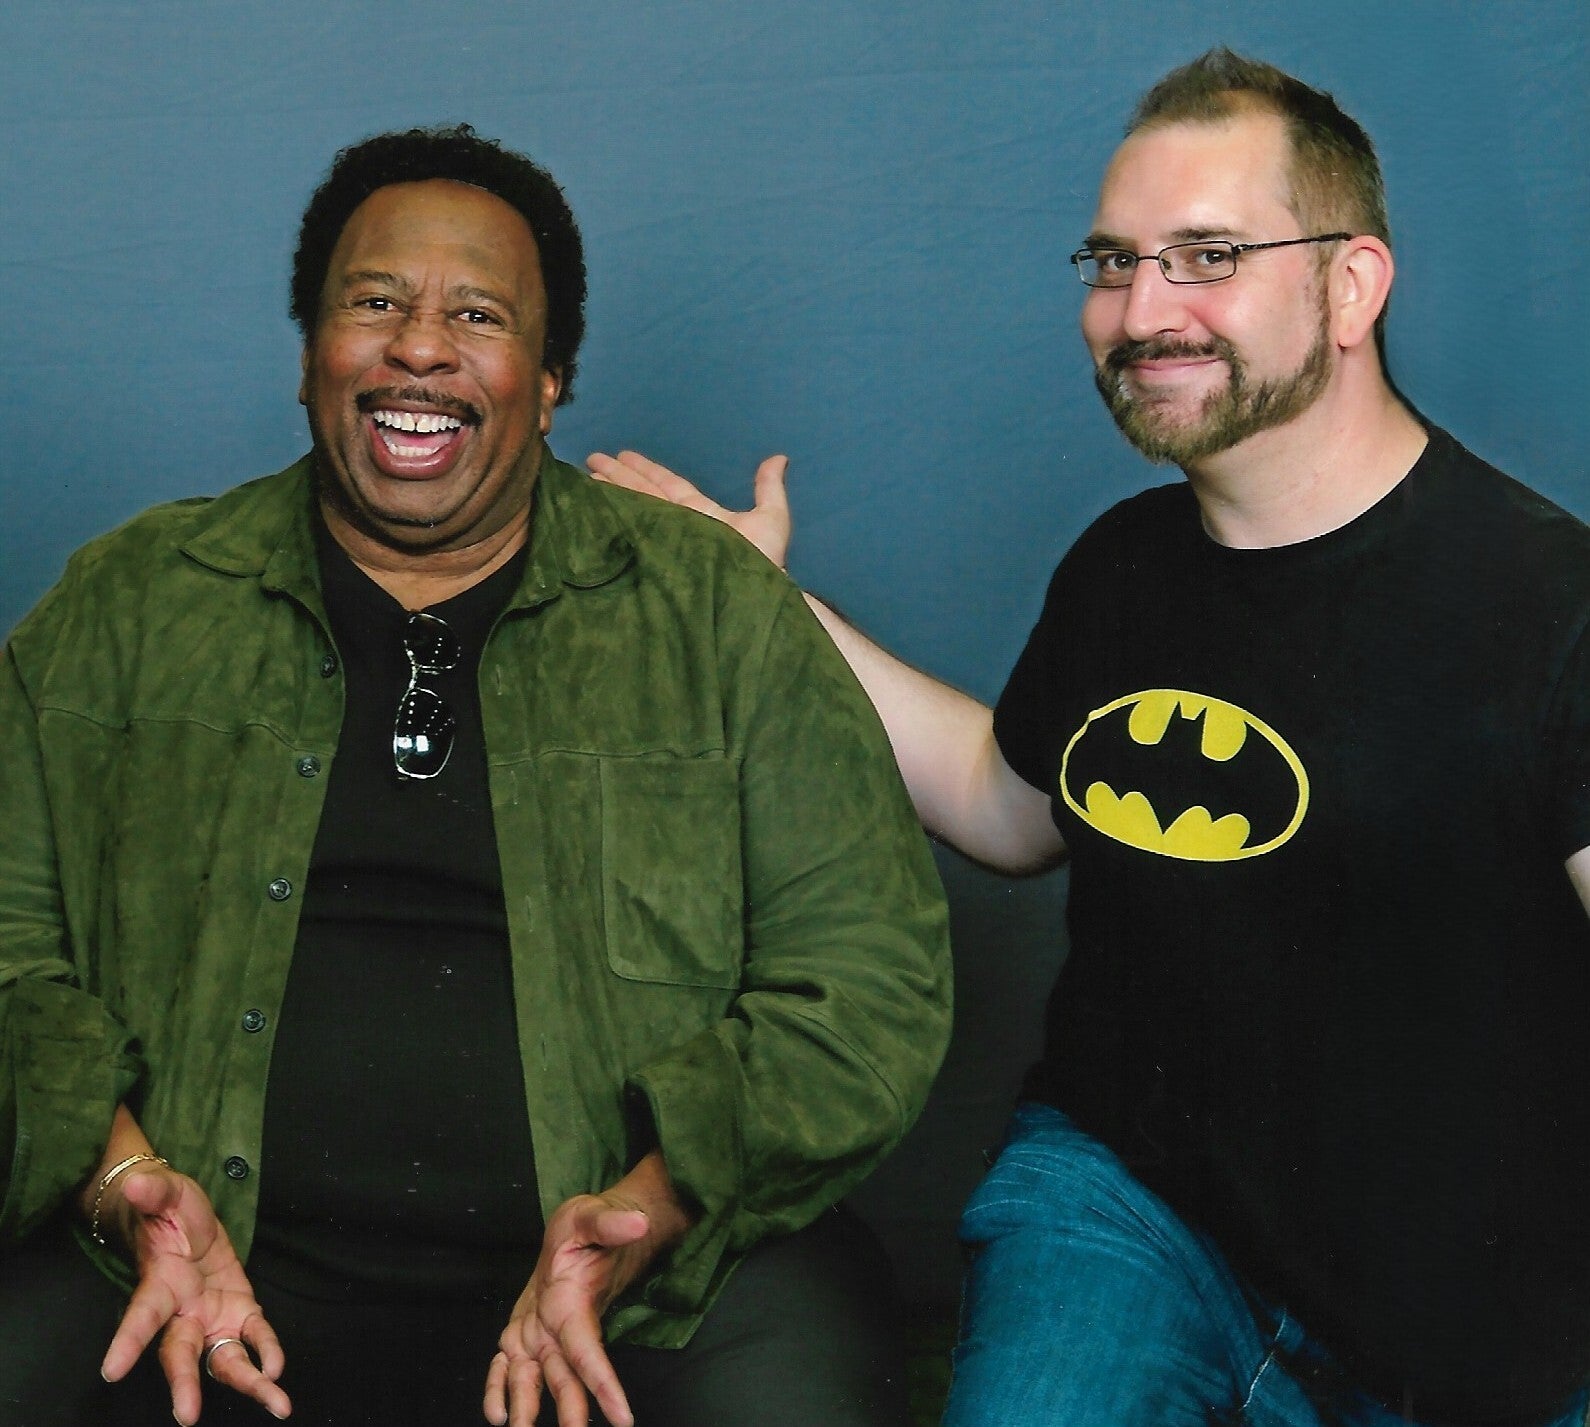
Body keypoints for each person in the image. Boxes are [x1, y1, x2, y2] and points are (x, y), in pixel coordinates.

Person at [588, 49, 1590, 1427]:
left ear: (1351, 286)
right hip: (1131, 1206)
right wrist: (762, 605)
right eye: (1114, 263)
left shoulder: (1548, 606)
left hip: (1465, 1298)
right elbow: (1007, 810)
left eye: (1208, 257)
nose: (1142, 311)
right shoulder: (1125, 567)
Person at [0, 124, 952, 1427]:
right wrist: (123, 1185)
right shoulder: (132, 603)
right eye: (375, 303)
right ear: (308, 356)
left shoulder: (714, 613)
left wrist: (651, 1205)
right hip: (189, 1266)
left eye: (479, 316)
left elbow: (867, 978)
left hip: (645, 1271)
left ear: (549, 382)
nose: (421, 348)